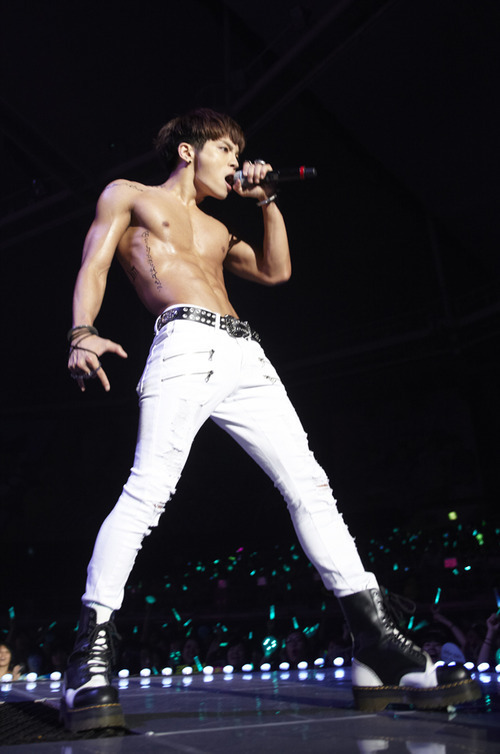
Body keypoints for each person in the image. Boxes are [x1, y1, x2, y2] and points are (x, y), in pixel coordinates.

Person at [61, 108, 480, 731]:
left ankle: (375, 643)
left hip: (246, 355)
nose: (237, 162)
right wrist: (82, 332)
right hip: (183, 343)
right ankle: (89, 657)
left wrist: (268, 201)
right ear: (188, 151)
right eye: (227, 151)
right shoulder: (130, 195)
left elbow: (275, 271)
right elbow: (94, 264)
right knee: (148, 491)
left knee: (310, 485)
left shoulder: (217, 228)